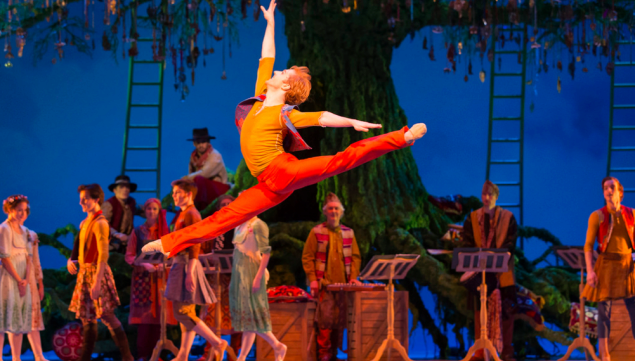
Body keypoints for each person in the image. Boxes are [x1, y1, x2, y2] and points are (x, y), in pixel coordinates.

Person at [142, 0, 427, 259]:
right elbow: (266, 57)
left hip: (284, 172)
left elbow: (321, 117)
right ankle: (167, 245)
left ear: (287, 86)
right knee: (225, 217)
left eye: (283, 73)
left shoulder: (284, 115)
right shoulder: (259, 99)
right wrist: (271, 23)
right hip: (266, 184)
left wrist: (352, 122)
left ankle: (403, 137)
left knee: (341, 160)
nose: (277, 72)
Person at [67, 184, 134, 361]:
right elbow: (78, 245)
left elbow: (103, 254)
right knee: (87, 317)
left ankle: (128, 357)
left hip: (97, 271)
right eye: (81, 198)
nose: (81, 202)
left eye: (85, 198)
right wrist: (71, 260)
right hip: (85, 272)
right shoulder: (85, 222)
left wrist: (97, 281)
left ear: (96, 199)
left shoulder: (101, 223)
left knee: (107, 315)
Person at [164, 179, 227, 361]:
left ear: (188, 194)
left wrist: (190, 271)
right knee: (187, 311)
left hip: (186, 265)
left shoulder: (192, 214)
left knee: (182, 312)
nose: (174, 196)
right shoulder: (183, 214)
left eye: (177, 192)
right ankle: (183, 354)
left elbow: (195, 244)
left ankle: (216, 342)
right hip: (180, 263)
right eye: (174, 193)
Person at [302, 192, 362, 361]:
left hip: (344, 286)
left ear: (341, 212)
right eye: (330, 208)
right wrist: (313, 279)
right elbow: (307, 257)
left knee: (340, 321)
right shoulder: (316, 232)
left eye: (336, 208)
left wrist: (353, 277)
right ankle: (324, 355)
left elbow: (356, 257)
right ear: (325, 212)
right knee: (325, 321)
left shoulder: (349, 233)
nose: (333, 211)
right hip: (325, 284)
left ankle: (334, 354)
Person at [462, 181, 518, 361]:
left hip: (502, 270)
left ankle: (505, 349)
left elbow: (511, 242)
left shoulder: (508, 217)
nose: (487, 198)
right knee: (480, 310)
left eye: (490, 195)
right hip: (480, 270)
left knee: (506, 310)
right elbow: (467, 243)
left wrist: (501, 257)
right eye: (484, 194)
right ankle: (480, 348)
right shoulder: (472, 218)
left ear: (496, 196)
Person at [581, 176, 635, 361]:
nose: (609, 190)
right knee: (604, 312)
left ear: (620, 192)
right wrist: (590, 271)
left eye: (612, 187)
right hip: (606, 265)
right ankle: (604, 354)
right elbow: (588, 246)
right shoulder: (598, 216)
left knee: (634, 309)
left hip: (627, 266)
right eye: (605, 188)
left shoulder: (632, 214)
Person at [125, 198, 176, 361]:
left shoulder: (164, 233)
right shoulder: (138, 232)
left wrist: (165, 265)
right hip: (144, 279)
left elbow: (172, 255)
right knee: (145, 319)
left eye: (155, 209)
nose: (151, 212)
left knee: (159, 318)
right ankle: (143, 355)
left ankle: (158, 355)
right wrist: (144, 263)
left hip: (161, 279)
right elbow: (129, 256)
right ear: (145, 211)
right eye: (149, 209)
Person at [230, 215, 286, 361]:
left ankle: (276, 345)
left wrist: (258, 277)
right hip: (240, 272)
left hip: (253, 270)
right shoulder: (239, 225)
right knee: (248, 319)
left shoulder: (258, 224)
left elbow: (266, 252)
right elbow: (236, 252)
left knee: (252, 317)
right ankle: (242, 357)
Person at [199, 194, 241, 361]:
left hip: (235, 277)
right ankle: (210, 351)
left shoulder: (240, 225)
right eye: (222, 204)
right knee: (211, 313)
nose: (225, 206)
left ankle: (234, 354)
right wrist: (206, 257)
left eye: (228, 204)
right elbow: (204, 246)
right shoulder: (213, 226)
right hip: (215, 277)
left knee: (236, 316)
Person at [0, 195, 33, 361]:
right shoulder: (4, 228)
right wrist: (17, 279)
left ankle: (16, 358)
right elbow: (5, 257)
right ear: (10, 210)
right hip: (9, 276)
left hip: (22, 277)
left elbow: (29, 257)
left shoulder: (25, 231)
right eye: (18, 210)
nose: (22, 213)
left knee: (18, 322)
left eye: (24, 210)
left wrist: (25, 279)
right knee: (4, 318)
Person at [184, 128, 231, 210]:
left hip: (219, 189)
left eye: (203, 142)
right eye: (198, 142)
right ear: (194, 143)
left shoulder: (215, 155)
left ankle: (200, 208)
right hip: (202, 190)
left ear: (208, 142)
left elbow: (205, 173)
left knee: (199, 179)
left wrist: (187, 178)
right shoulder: (193, 157)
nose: (201, 145)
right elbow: (191, 174)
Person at [102, 175, 139, 253]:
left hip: (127, 242)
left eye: (127, 187)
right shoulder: (109, 204)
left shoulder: (131, 203)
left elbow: (142, 210)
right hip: (112, 242)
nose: (125, 190)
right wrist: (116, 234)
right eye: (121, 187)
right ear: (115, 190)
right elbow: (103, 223)